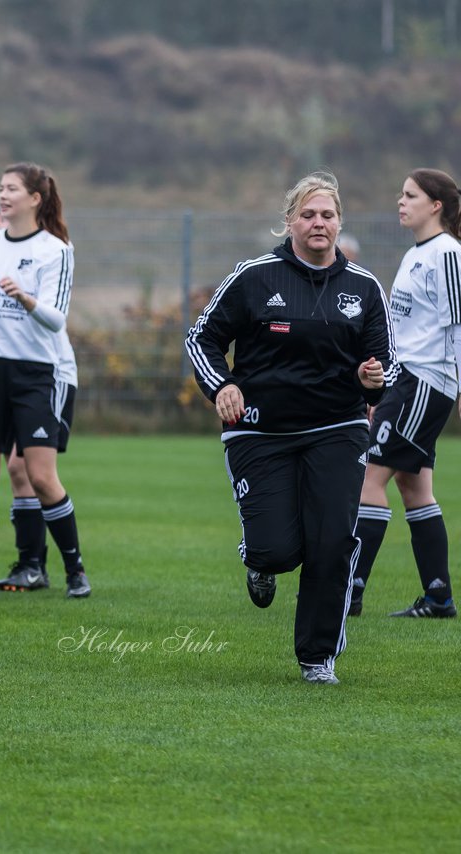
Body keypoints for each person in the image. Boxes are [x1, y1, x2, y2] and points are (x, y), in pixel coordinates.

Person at [186, 171, 396, 685]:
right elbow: (201, 339)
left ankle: (317, 657)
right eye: (308, 214)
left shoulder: (364, 288)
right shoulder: (254, 277)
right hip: (260, 433)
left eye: (327, 214)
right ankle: (257, 558)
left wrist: (373, 381)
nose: (318, 223)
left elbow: (384, 369)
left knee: (331, 542)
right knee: (277, 550)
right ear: (289, 222)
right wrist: (223, 386)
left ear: (339, 221)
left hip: (337, 429)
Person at [0, 163, 90, 599]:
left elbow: (55, 319)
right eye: (0, 187)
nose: (3, 194)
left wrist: (26, 299)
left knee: (41, 476)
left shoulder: (55, 250)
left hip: (34, 372)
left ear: (35, 199)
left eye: (12, 188)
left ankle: (74, 571)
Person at [350, 168, 461, 619]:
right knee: (415, 489)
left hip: (425, 381)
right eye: (400, 194)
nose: (401, 201)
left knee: (367, 482)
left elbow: (457, 325)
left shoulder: (448, 253)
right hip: (406, 381)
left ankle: (349, 591)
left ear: (435, 205)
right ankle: (438, 598)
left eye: (410, 195)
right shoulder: (417, 253)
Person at [2, 324, 77, 591]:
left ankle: (70, 570)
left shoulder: (45, 281)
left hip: (51, 374)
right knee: (17, 470)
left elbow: (51, 315)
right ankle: (32, 567)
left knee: (33, 473)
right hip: (12, 372)